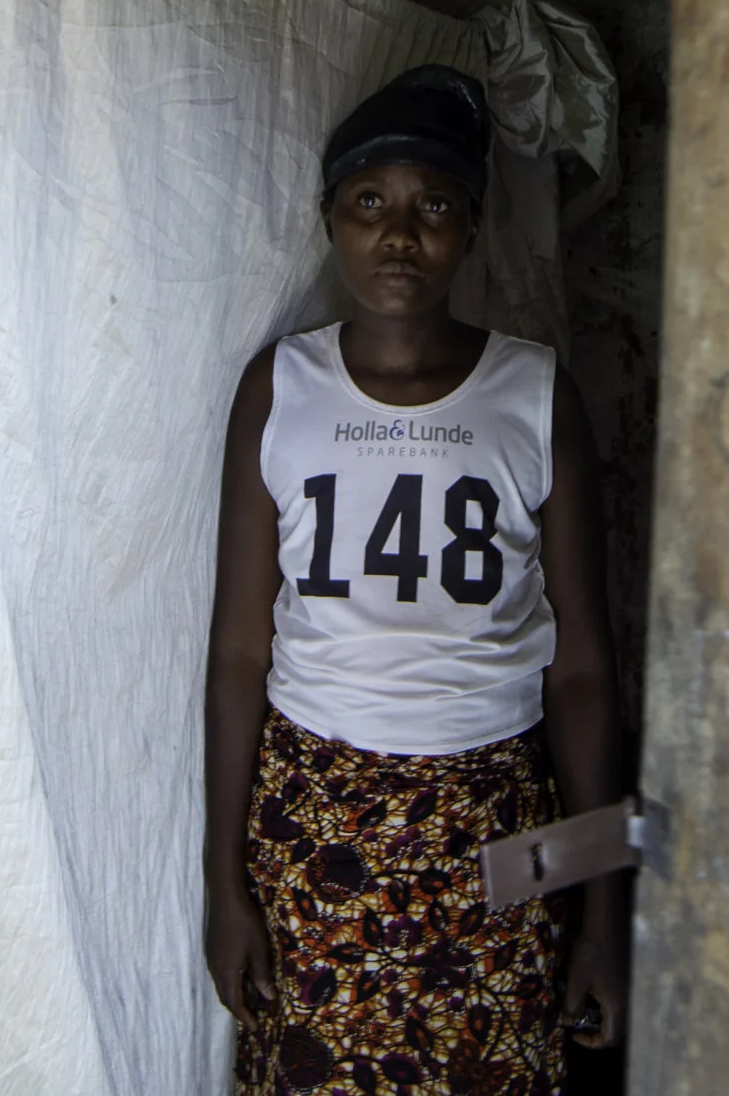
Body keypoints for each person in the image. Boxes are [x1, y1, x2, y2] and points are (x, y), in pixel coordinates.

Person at [204, 65, 630, 1096]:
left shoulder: (534, 394)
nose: (399, 233)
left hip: (497, 808)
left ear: (473, 227)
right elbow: (240, 651)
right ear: (329, 220)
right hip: (316, 820)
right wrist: (222, 883)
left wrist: (604, 914)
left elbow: (582, 672)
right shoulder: (281, 386)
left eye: (434, 206)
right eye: (370, 202)